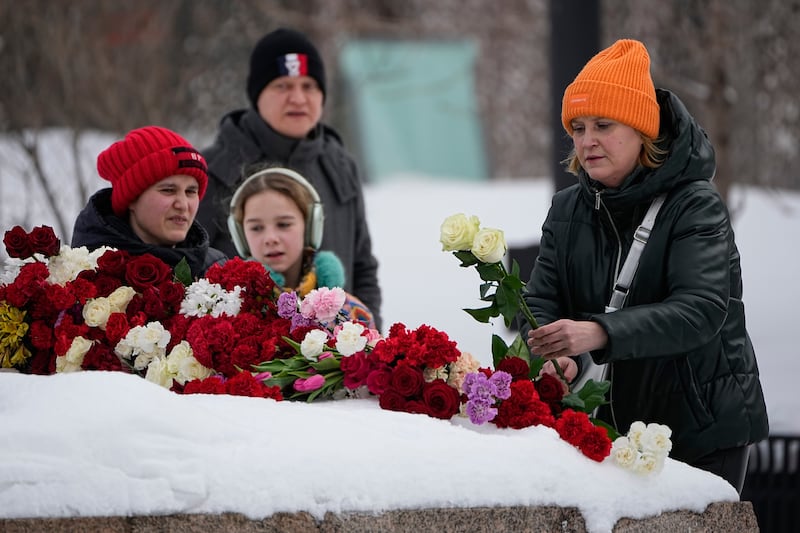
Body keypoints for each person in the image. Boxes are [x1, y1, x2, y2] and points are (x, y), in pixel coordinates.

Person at [520, 39, 768, 493]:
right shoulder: (566, 208)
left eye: (603, 124)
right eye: (577, 126)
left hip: (697, 427)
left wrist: (598, 332)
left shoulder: (696, 205)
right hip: (604, 424)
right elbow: (539, 300)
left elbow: (701, 309)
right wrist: (556, 352)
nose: (586, 139)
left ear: (642, 130)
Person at [197, 27, 382, 330]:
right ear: (257, 96)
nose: (298, 98)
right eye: (282, 86)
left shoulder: (340, 165)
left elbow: (363, 268)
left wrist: (367, 344)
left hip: (335, 363)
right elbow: (190, 270)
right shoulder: (214, 168)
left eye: (309, 86)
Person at [228, 164, 375, 328]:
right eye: (256, 228)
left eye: (283, 224)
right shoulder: (230, 313)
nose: (270, 238)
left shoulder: (353, 314)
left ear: (311, 227)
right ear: (240, 236)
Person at [72, 125, 226, 277]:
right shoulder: (86, 273)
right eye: (168, 190)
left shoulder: (216, 270)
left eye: (191, 192)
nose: (183, 205)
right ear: (132, 199)